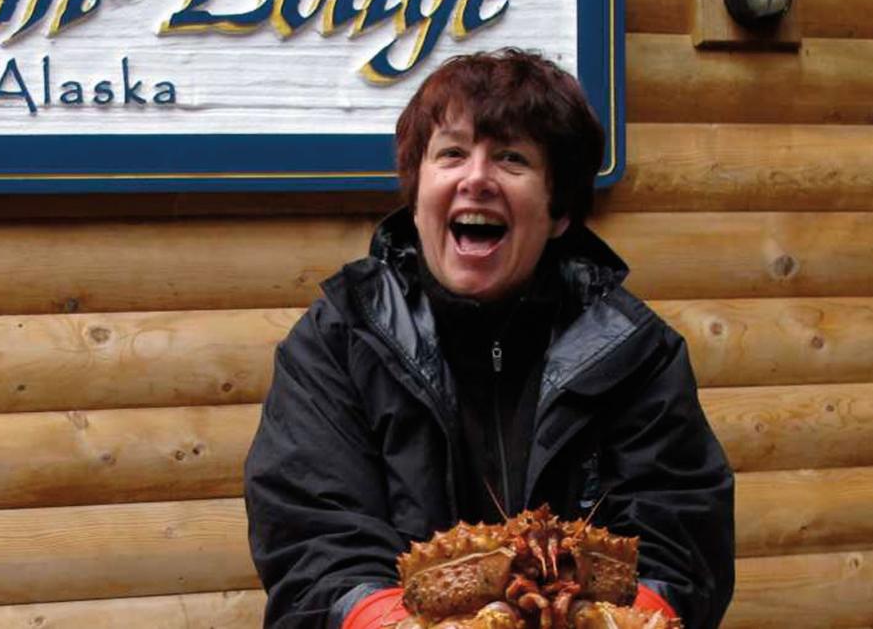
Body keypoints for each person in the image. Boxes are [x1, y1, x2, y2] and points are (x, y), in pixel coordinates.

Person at [245, 49, 734, 629]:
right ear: (417, 190)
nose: (476, 179)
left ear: (559, 212)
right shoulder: (335, 341)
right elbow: (314, 540)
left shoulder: (637, 352)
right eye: (451, 153)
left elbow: (680, 539)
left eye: (511, 158)